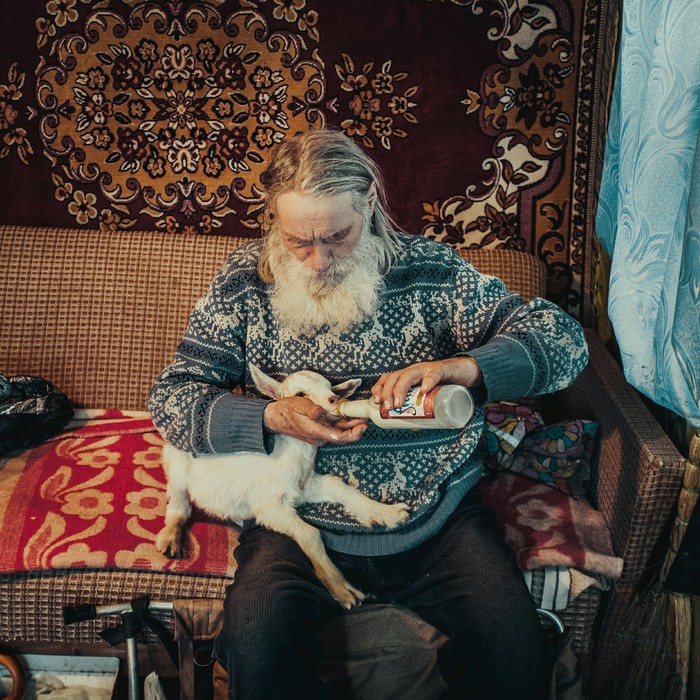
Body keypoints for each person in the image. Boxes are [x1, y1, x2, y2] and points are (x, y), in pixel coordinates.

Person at [149, 128, 588, 699]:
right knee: (256, 650)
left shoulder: (430, 272)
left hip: (435, 522)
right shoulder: (244, 283)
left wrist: (466, 368)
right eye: (298, 242)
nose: (318, 260)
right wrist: (268, 419)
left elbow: (564, 342)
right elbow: (173, 398)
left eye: (338, 236)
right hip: (299, 522)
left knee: (512, 649)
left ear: (369, 207)